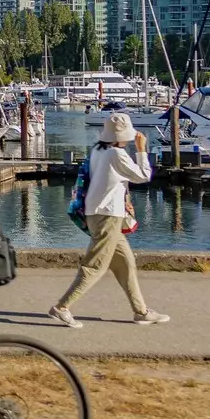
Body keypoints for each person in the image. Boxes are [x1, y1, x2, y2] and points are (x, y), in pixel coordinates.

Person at [51, 110, 168, 328]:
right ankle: (62, 307)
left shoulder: (98, 150)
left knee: (126, 264)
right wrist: (142, 151)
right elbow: (143, 176)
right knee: (95, 265)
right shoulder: (116, 154)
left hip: (96, 213)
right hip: (108, 216)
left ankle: (141, 311)